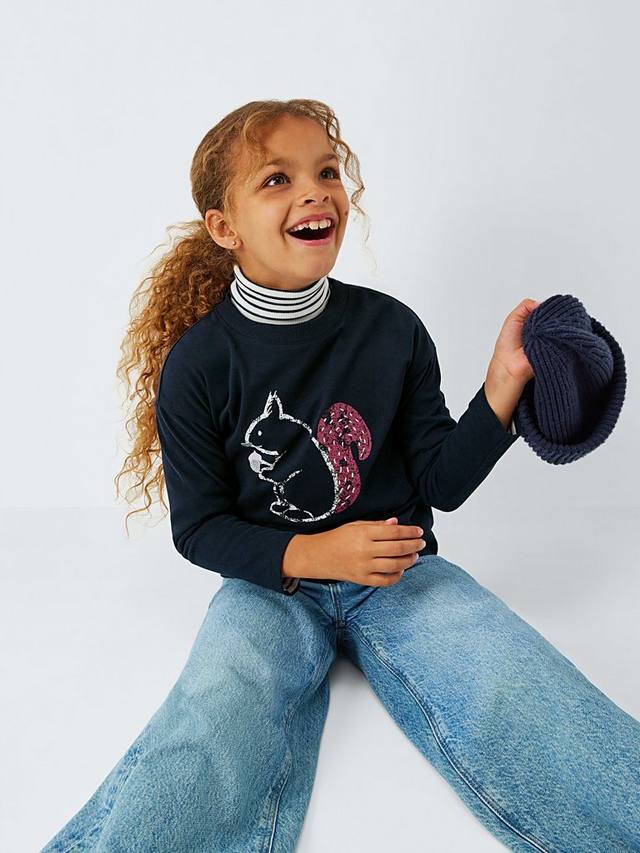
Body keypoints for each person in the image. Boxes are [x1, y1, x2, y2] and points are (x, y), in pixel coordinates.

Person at [40, 99, 640, 853]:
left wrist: (501, 389)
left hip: (399, 571)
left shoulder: (393, 330)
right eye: (277, 179)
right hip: (267, 587)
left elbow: (441, 483)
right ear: (223, 227)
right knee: (212, 721)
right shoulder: (197, 365)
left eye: (327, 172)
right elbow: (199, 528)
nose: (315, 192)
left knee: (515, 684)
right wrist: (312, 553)